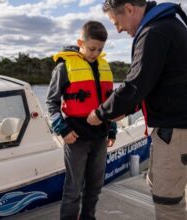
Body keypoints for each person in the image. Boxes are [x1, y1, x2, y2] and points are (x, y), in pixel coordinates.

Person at [87, 1, 187, 219]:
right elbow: (154, 81)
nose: (118, 29)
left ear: (130, 9)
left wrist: (100, 113)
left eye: (117, 22)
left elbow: (135, 85)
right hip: (178, 126)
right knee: (161, 188)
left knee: (167, 202)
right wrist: (128, 107)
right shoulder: (166, 25)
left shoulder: (154, 33)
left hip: (177, 129)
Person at [46, 20, 117, 220]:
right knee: (73, 190)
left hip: (100, 137)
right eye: (92, 48)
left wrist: (111, 129)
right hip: (75, 138)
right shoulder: (63, 67)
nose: (95, 53)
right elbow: (51, 102)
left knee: (95, 187)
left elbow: (108, 102)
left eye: (100, 49)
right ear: (81, 42)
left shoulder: (104, 66)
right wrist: (63, 129)